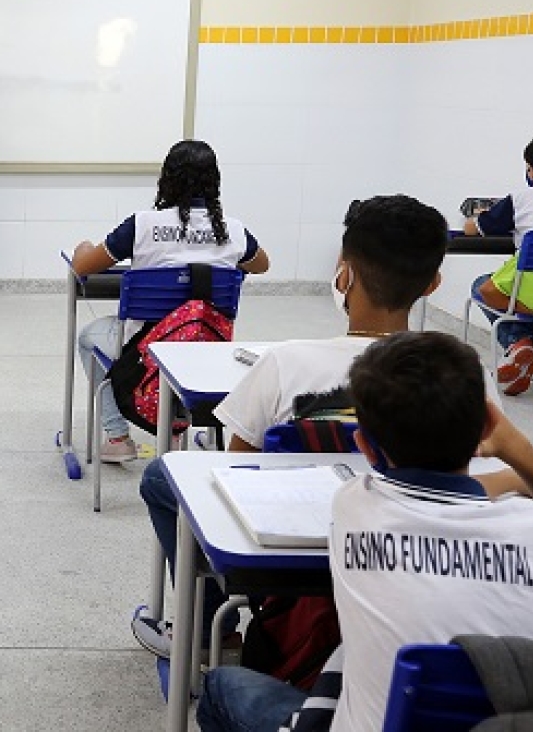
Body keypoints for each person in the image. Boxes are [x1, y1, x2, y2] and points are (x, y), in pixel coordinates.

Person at [133, 194, 468, 658]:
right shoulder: (461, 375)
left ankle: (210, 626)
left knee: (161, 477)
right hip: (416, 559)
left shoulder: (286, 363)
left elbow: (239, 473)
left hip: (289, 560)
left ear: (344, 274)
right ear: (432, 283)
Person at [196, 331, 533, 732]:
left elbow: (428, 495)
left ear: (364, 447)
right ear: (488, 423)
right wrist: (515, 456)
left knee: (221, 686)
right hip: (497, 719)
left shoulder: (354, 504)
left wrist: (505, 480)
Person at [72, 139, 270, 463]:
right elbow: (261, 264)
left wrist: (82, 248)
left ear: (167, 178)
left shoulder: (143, 224)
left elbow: (83, 267)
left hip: (143, 348)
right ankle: (176, 429)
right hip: (205, 345)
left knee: (86, 337)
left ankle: (118, 437)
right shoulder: (233, 231)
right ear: (214, 181)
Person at [464, 131, 533, 395]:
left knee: (481, 287)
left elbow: (474, 229)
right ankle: (523, 349)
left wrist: (479, 216)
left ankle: (519, 343)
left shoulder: (522, 199)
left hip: (530, 292)